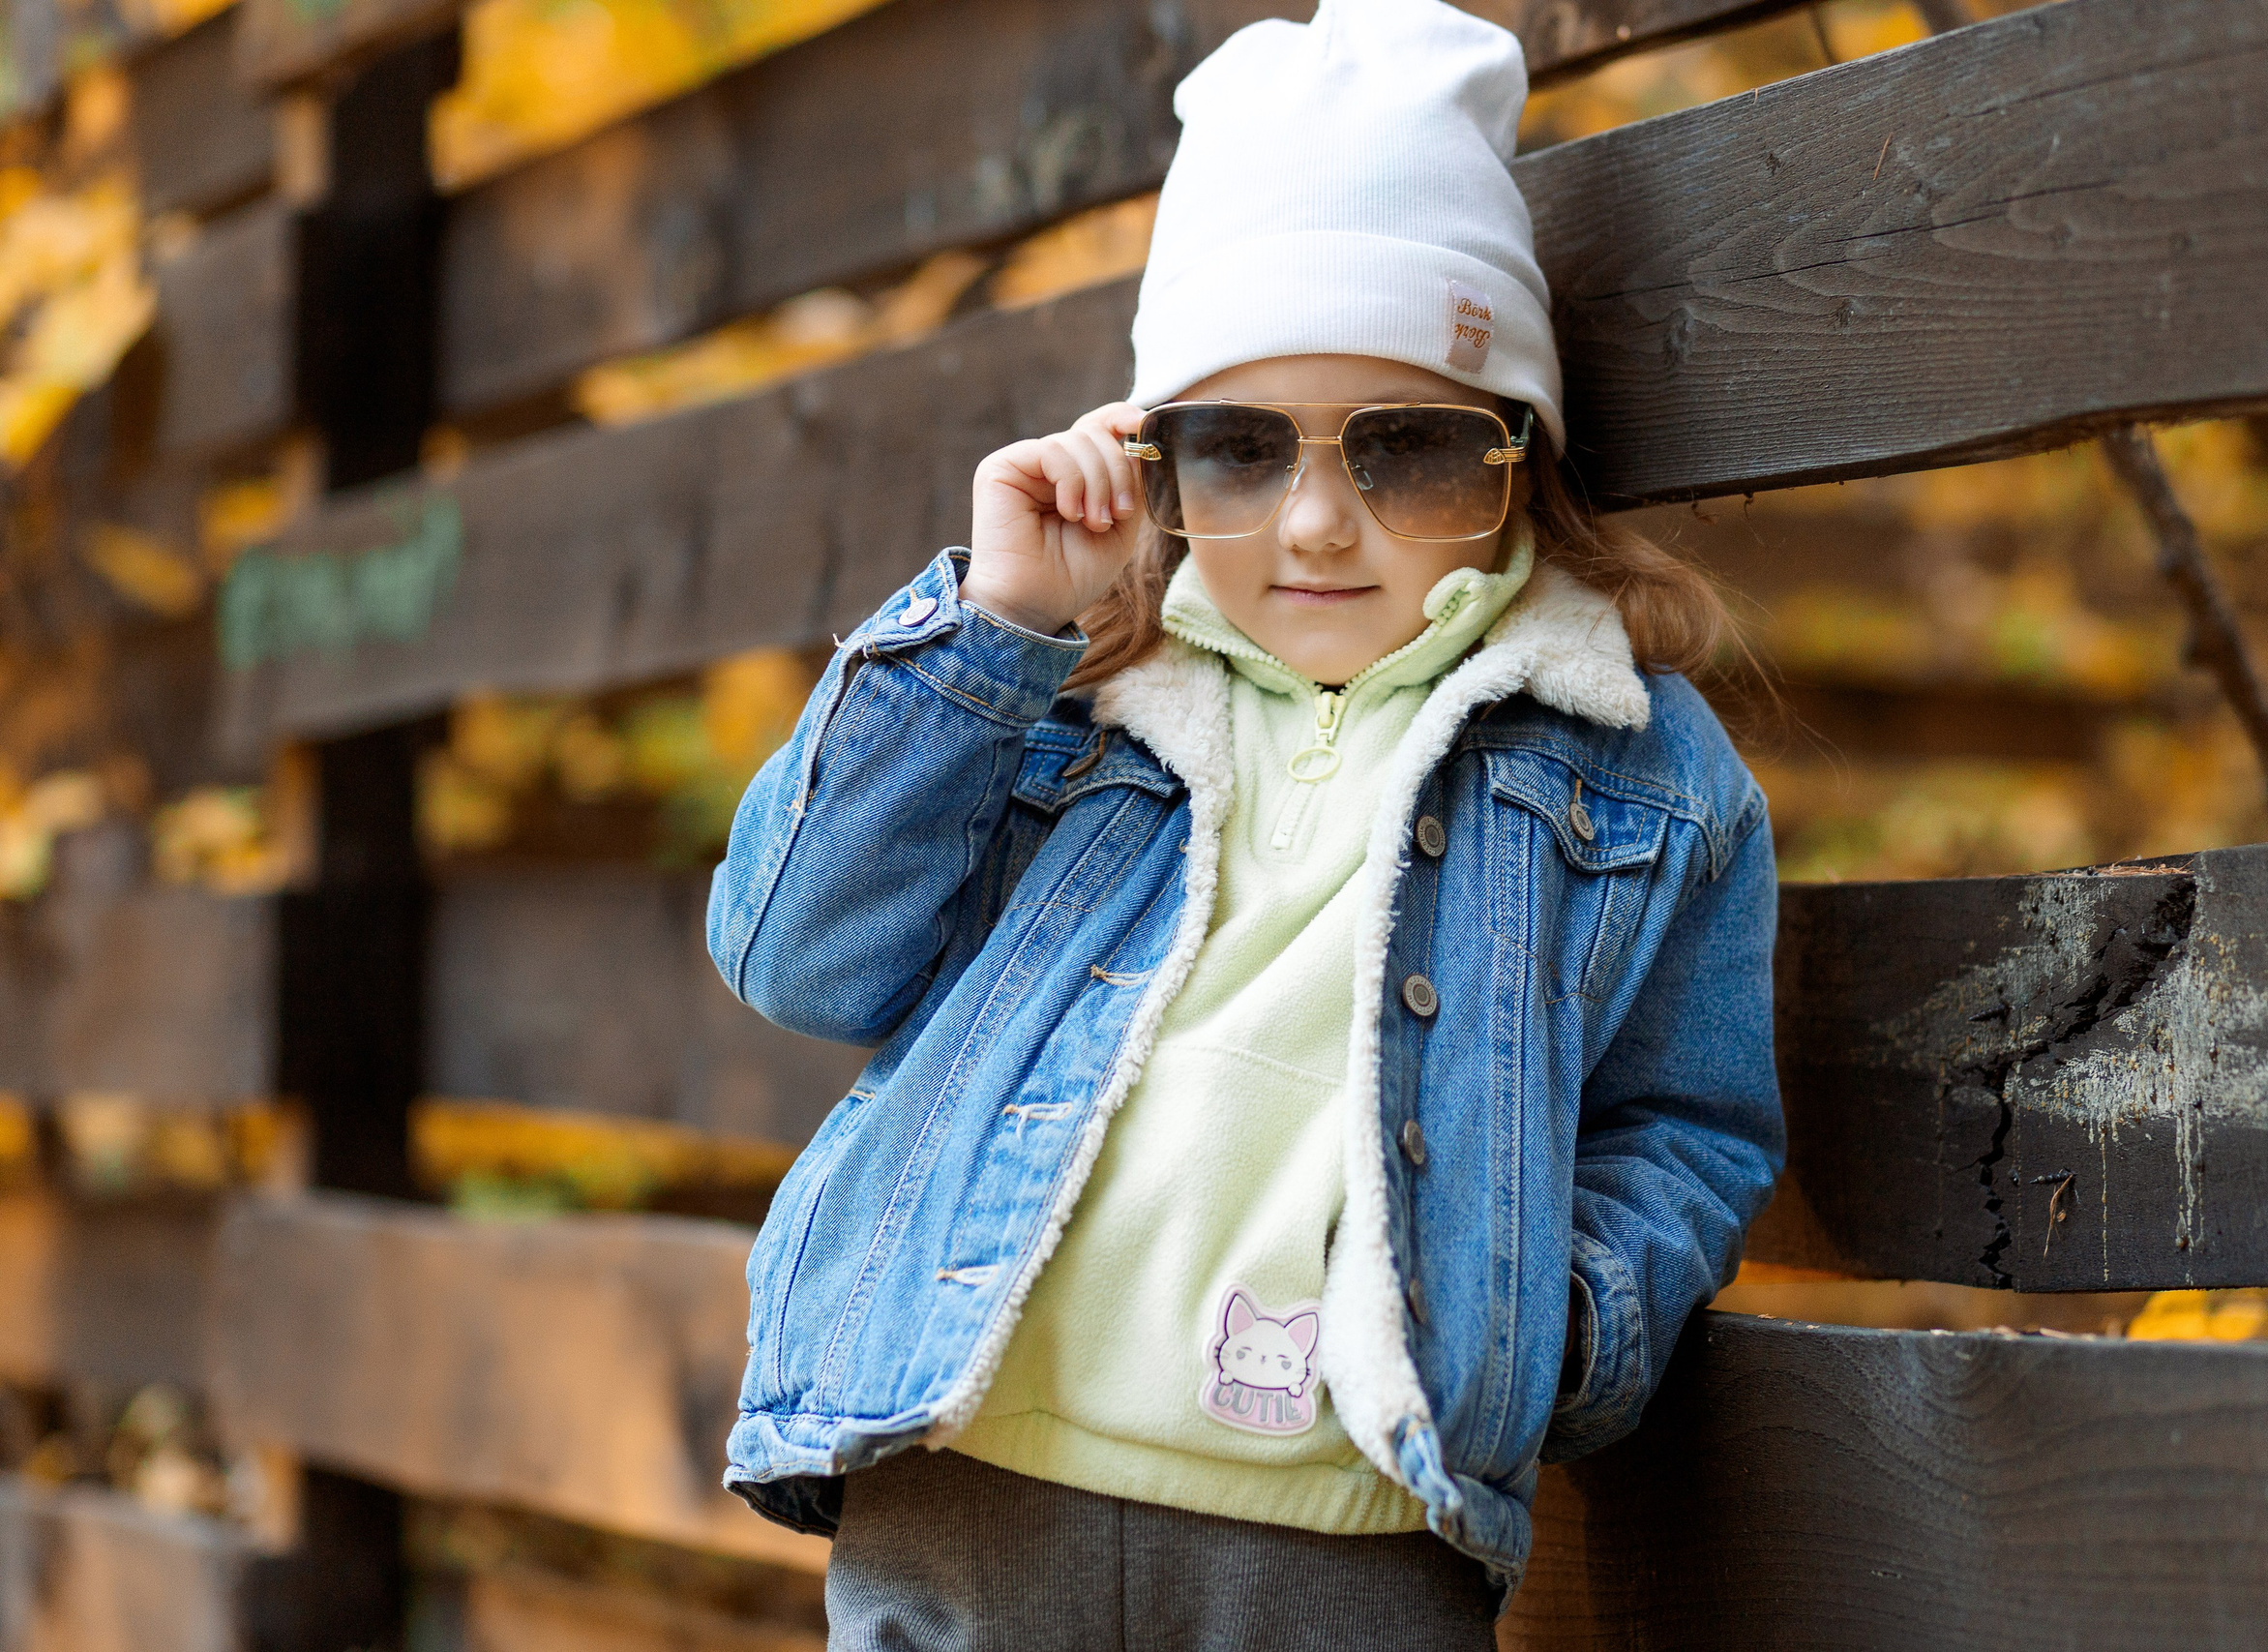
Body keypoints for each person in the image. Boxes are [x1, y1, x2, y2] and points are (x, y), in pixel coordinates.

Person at [706, 1, 1782, 1644]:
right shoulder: (1065, 705)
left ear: (1520, 453)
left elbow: (1686, 1126)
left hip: (1343, 1525)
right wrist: (994, 633)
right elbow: (799, 958)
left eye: (1411, 447)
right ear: (1154, 463)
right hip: (972, 1474)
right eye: (1240, 446)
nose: (1320, 518)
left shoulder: (1632, 759)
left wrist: (1540, 1330)